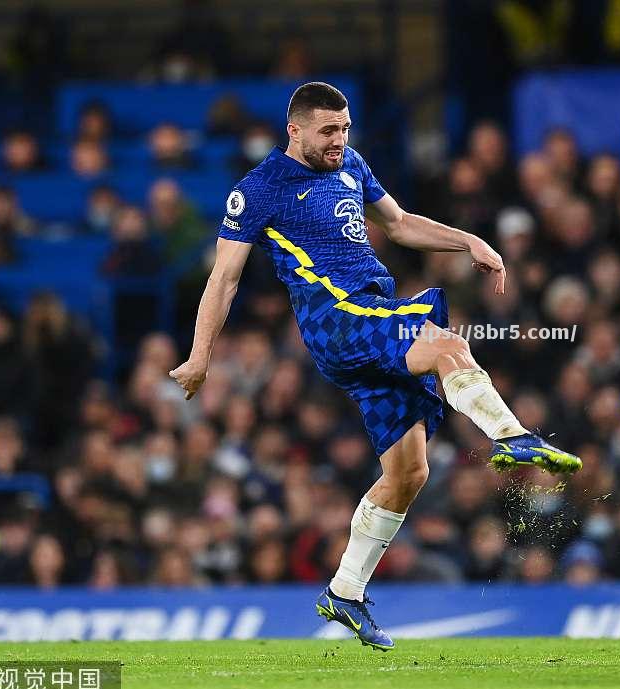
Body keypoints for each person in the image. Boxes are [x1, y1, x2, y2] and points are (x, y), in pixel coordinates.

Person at [168, 82, 581, 651]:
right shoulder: (259, 190)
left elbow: (401, 224)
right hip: (337, 318)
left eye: (345, 128)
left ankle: (345, 592)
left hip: (372, 313)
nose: (340, 140)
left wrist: (468, 242)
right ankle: (511, 437)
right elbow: (224, 279)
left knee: (409, 473)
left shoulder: (351, 164)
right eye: (327, 131)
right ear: (295, 131)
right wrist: (199, 357)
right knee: (448, 348)